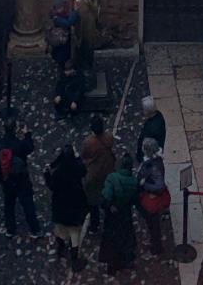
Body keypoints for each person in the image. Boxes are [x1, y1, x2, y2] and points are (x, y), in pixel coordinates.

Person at [0, 114, 41, 238]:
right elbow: (30, 147)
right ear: (15, 129)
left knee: (9, 204)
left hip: (6, 178)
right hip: (21, 179)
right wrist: (27, 134)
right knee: (28, 204)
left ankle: (10, 229)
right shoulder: (19, 145)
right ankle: (35, 229)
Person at [44, 144, 88, 274]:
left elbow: (51, 185)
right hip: (74, 208)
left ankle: (60, 247)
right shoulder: (77, 169)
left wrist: (47, 174)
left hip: (60, 207)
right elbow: (84, 171)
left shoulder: (58, 173)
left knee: (60, 229)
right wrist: (78, 157)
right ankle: (74, 260)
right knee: (74, 233)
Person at [98, 153, 138, 276]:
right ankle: (125, 260)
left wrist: (109, 206)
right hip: (125, 213)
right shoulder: (133, 181)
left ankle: (112, 265)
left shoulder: (112, 177)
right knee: (125, 237)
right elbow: (134, 199)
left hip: (113, 214)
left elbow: (105, 197)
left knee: (111, 239)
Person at [80, 115, 115, 234]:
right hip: (108, 170)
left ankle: (94, 225)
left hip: (94, 175)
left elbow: (84, 156)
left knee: (93, 201)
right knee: (107, 196)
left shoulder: (88, 142)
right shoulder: (109, 137)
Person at [136, 136, 168, 257]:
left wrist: (145, 185)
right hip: (150, 196)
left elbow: (159, 185)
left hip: (152, 199)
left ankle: (156, 247)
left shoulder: (153, 166)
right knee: (152, 223)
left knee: (154, 224)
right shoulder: (155, 161)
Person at [70, 0, 97, 77]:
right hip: (82, 35)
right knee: (82, 52)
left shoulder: (88, 13)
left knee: (87, 51)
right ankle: (83, 69)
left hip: (87, 35)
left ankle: (86, 69)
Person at [135, 96, 166, 162]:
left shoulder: (151, 129)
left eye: (143, 109)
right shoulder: (159, 115)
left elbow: (146, 144)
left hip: (150, 154)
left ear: (147, 111)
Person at [47, 0, 74, 71]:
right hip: (60, 41)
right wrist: (74, 15)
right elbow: (66, 23)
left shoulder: (61, 15)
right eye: (61, 7)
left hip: (63, 41)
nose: (63, 9)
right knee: (61, 56)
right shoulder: (56, 18)